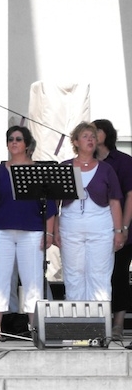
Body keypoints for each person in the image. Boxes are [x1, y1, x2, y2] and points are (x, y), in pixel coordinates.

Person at [0, 126, 56, 340]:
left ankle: (33, 327)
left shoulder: (39, 171)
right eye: (10, 139)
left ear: (27, 145)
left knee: (32, 279)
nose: (14, 142)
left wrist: (49, 233)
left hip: (32, 232)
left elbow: (50, 206)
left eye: (18, 139)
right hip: (1, 231)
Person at [54, 122, 124, 303]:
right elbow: (55, 202)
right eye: (85, 136)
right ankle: (77, 324)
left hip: (101, 229)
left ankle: (99, 324)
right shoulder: (64, 167)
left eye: (93, 136)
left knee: (99, 275)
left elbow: (115, 201)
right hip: (70, 228)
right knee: (73, 275)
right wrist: (54, 230)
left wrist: (118, 231)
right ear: (75, 142)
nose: (90, 139)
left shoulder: (106, 169)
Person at [92, 119, 132, 340]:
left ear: (106, 134)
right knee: (98, 275)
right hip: (96, 228)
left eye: (96, 131)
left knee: (119, 274)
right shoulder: (89, 163)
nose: (91, 135)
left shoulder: (123, 161)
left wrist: (123, 227)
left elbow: (130, 196)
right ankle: (99, 320)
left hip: (122, 227)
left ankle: (118, 323)